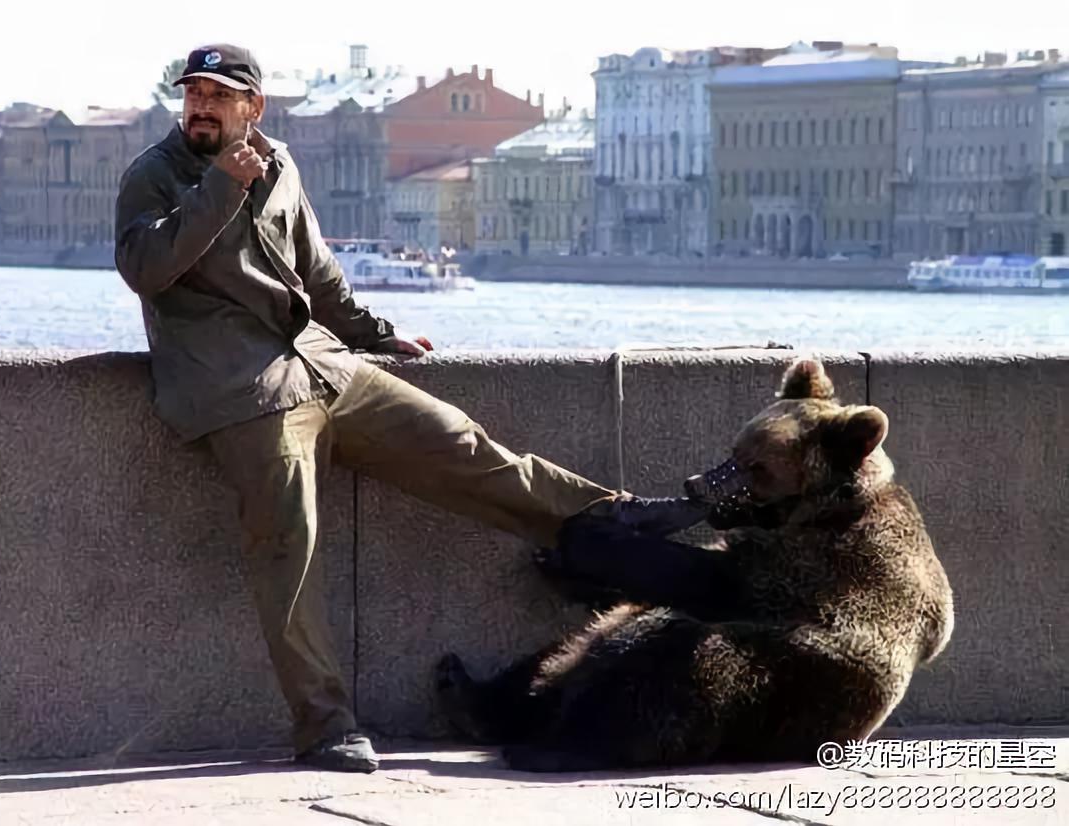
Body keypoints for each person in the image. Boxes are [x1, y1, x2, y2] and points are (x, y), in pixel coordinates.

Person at [114, 44, 705, 774]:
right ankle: (326, 728)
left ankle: (609, 523)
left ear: (252, 107)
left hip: (323, 365)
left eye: (219, 95)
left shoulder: (281, 165)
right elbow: (144, 269)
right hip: (240, 393)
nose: (201, 106)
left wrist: (376, 333)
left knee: (459, 442)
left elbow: (319, 275)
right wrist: (218, 191)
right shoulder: (154, 174)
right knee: (287, 545)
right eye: (193, 93)